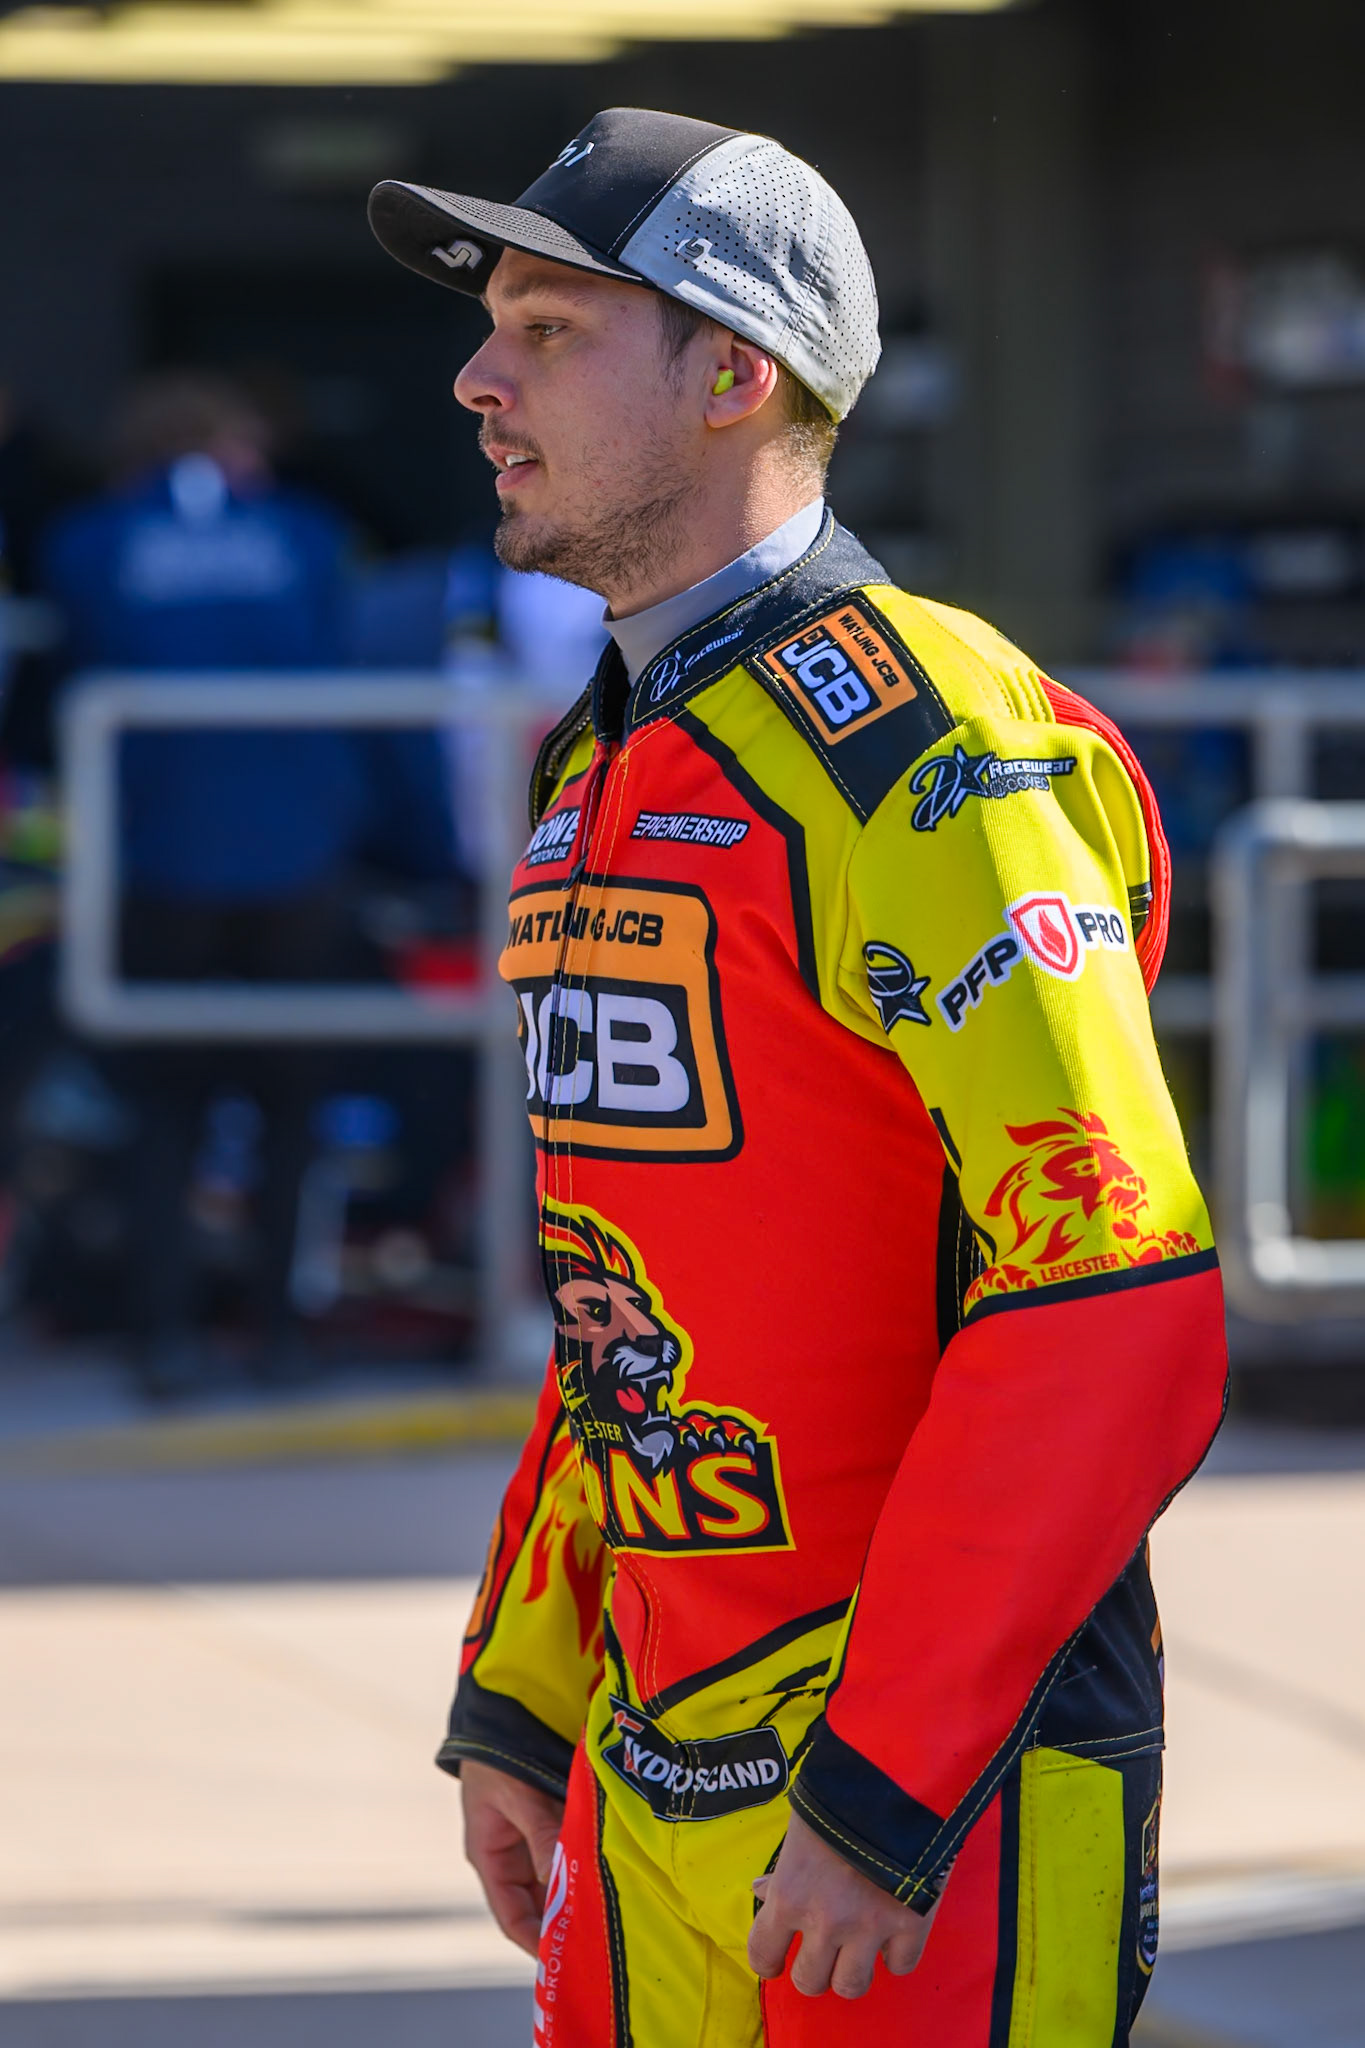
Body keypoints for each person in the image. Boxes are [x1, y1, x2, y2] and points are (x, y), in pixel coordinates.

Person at [368, 109, 1228, 2046]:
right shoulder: (593, 764)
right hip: (649, 1773)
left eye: (548, 326)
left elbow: (1113, 1306)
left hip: (918, 1814)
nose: (474, 374)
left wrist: (882, 1786)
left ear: (729, 374)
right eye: (486, 323)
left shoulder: (927, 744)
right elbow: (631, 1288)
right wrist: (523, 1687)